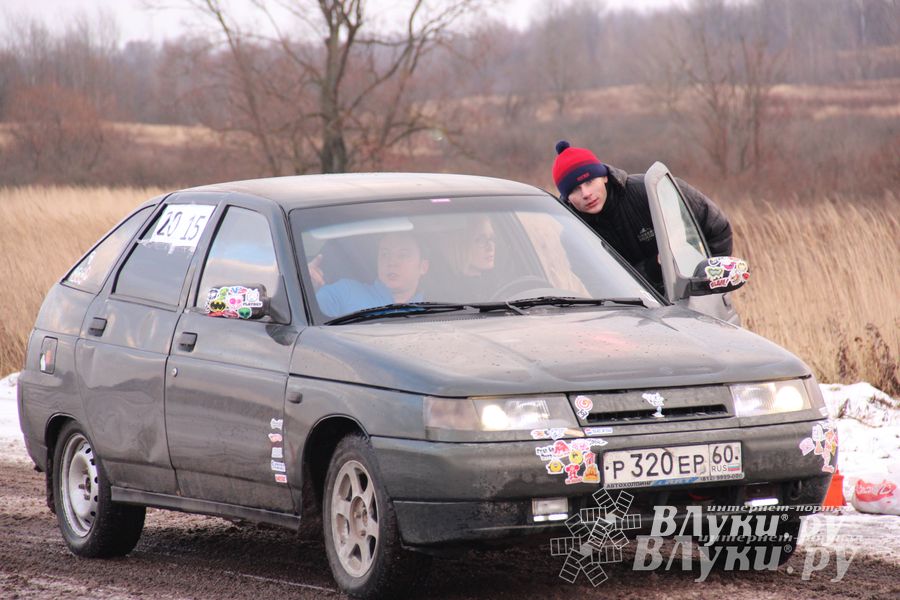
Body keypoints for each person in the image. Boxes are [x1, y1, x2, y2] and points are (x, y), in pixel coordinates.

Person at [551, 140, 733, 292]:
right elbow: (601, 287)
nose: (586, 194)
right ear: (567, 198)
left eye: (589, 182)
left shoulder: (651, 192)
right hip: (633, 320)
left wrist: (708, 287)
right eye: (575, 189)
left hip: (693, 303)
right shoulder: (573, 235)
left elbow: (718, 228)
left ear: (604, 177)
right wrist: (654, 266)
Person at [309, 231, 430, 317]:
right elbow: (307, 316)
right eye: (384, 254)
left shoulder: (437, 311)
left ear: (423, 267)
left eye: (402, 255)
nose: (391, 262)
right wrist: (307, 285)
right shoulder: (345, 292)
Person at [442, 215, 497, 300]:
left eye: (492, 238)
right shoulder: (450, 294)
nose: (490, 247)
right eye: (481, 240)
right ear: (461, 245)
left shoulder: (495, 282)